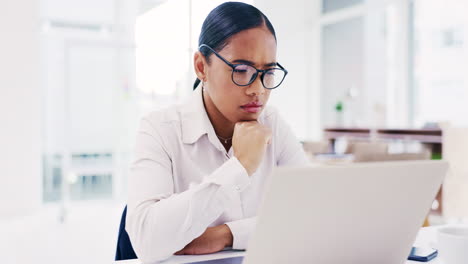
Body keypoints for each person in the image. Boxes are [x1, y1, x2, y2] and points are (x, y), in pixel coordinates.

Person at [126, 2, 309, 262]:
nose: (258, 89)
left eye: (268, 72)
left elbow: (311, 215)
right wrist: (240, 166)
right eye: (242, 70)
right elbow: (146, 239)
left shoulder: (273, 123)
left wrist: (227, 235)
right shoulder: (159, 129)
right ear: (202, 66)